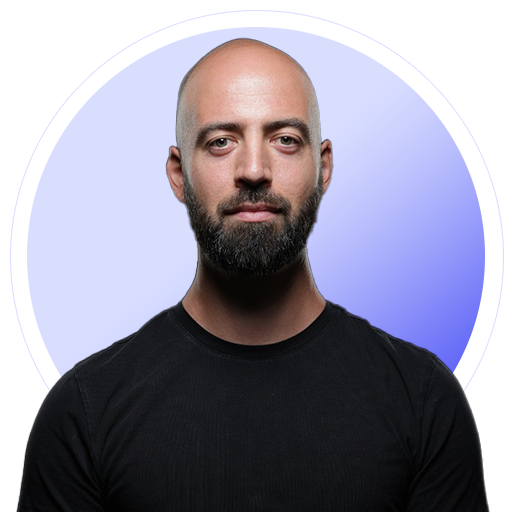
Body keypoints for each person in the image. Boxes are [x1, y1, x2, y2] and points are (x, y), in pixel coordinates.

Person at [18, 38, 489, 511]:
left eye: (285, 140)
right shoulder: (84, 413)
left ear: (323, 167)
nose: (254, 170)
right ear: (179, 174)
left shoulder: (424, 401)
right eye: (221, 142)